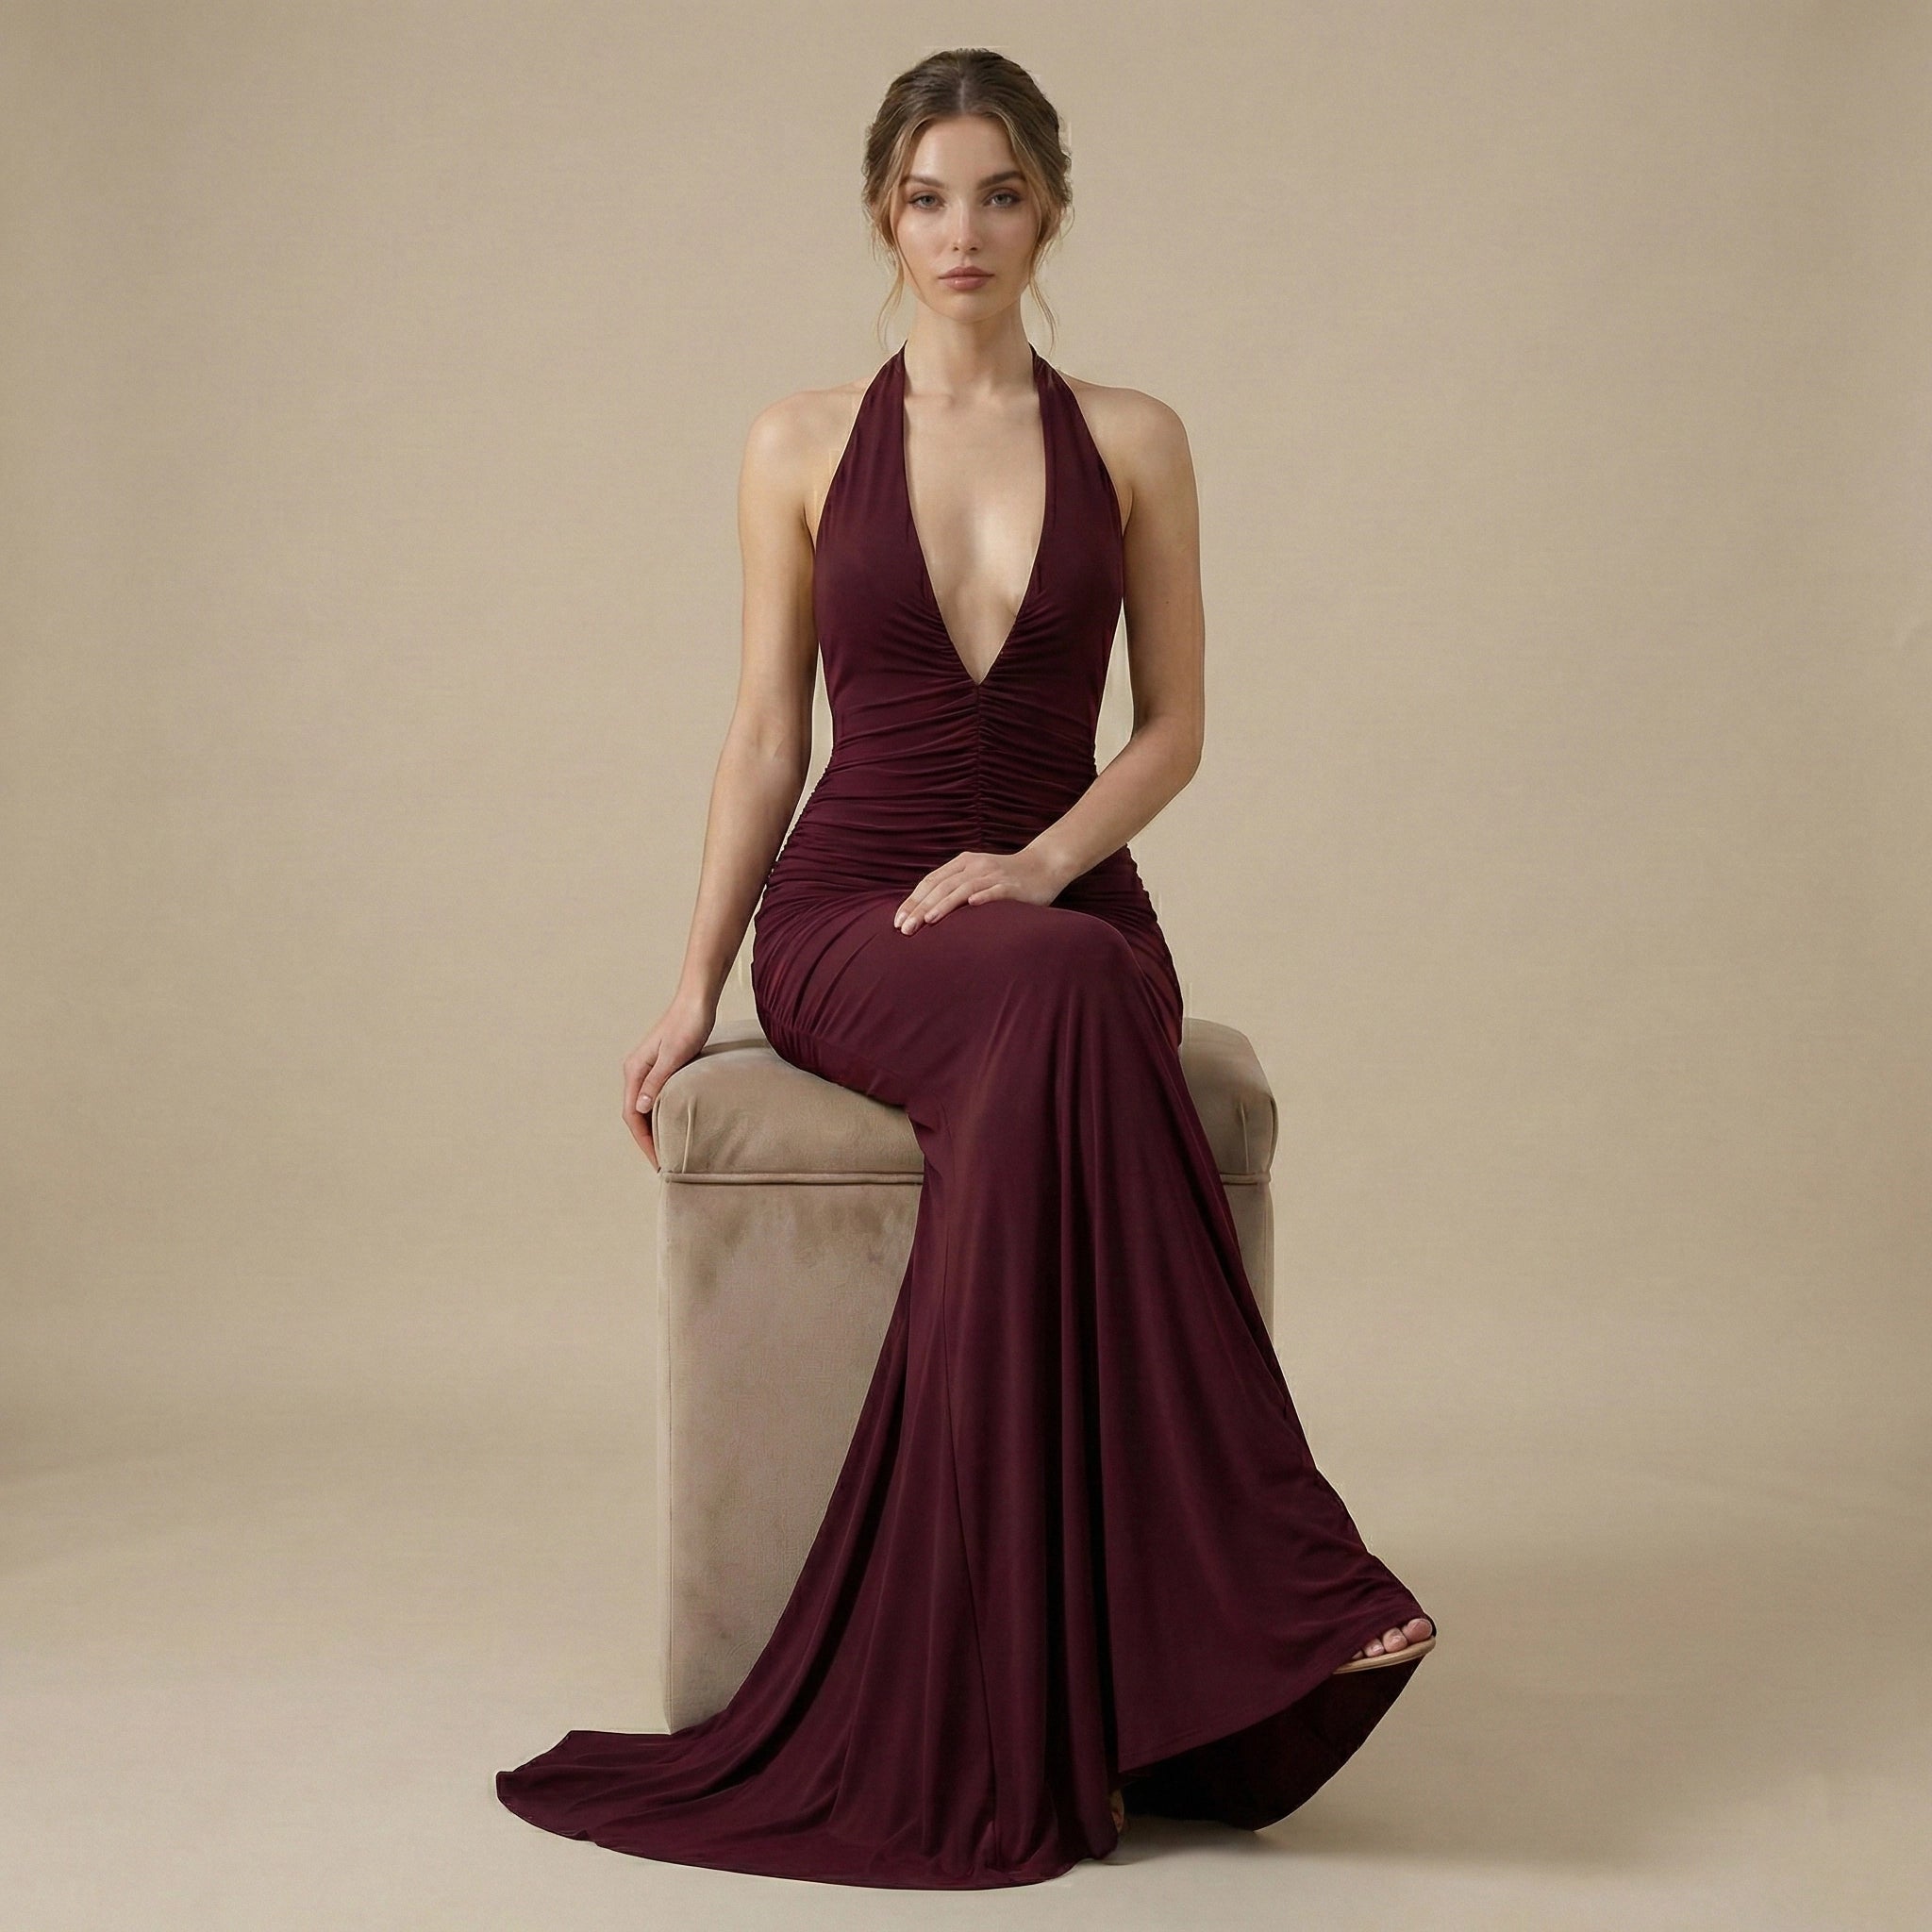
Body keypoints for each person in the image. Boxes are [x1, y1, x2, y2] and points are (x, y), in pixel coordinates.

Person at [496, 45, 1435, 1890]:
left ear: (1050, 210)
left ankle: (1066, 1687)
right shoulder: (793, 441)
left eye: (997, 192)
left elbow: (1168, 731)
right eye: (927, 194)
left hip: (1066, 905)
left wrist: (1039, 861)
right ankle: (1277, 1576)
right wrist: (694, 981)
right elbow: (768, 734)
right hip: (854, 920)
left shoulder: (1137, 438)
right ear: (880, 211)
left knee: (1076, 987)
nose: (962, 228)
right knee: (1064, 997)